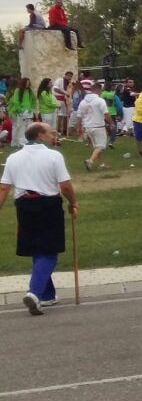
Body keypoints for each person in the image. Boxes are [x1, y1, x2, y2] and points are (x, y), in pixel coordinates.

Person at [1, 122, 78, 315]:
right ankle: (34, 292)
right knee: (49, 250)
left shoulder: (13, 158)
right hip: (48, 203)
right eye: (50, 132)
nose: (54, 135)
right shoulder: (53, 156)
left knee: (37, 247)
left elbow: (4, 188)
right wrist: (73, 202)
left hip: (24, 205)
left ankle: (47, 294)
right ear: (40, 135)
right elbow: (65, 185)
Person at [76, 83, 110, 171]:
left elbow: (79, 116)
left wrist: (79, 128)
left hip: (88, 127)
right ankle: (90, 161)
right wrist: (111, 123)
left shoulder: (83, 102)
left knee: (97, 147)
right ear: (98, 90)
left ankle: (102, 164)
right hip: (98, 126)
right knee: (101, 146)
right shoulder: (100, 100)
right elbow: (106, 113)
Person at [6, 77, 34, 148]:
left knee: (26, 127)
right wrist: (21, 110)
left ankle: (24, 142)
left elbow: (34, 100)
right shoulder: (18, 90)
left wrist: (31, 109)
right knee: (19, 127)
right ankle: (18, 143)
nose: (27, 84)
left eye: (28, 83)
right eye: (26, 83)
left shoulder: (30, 91)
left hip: (28, 112)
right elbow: (16, 101)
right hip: (19, 112)